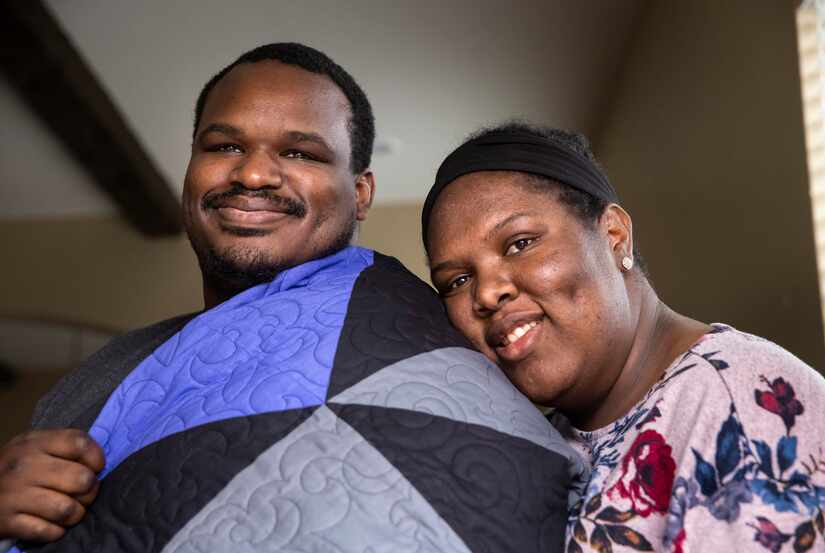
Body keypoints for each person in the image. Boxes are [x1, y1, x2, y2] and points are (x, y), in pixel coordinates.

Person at [0, 48, 580, 553]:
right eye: (224, 144)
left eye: (301, 153)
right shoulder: (107, 370)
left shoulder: (444, 330)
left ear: (360, 193)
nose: (253, 174)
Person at [422, 122, 825, 552]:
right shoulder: (539, 440)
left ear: (614, 235)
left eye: (520, 243)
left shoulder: (744, 407)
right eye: (458, 280)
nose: (486, 293)